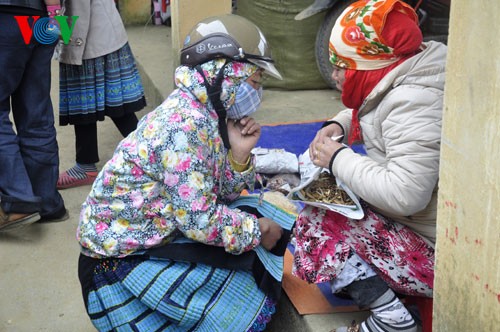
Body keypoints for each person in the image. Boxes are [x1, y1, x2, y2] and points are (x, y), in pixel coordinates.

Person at [76, 14, 287, 331]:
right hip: (115, 265)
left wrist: (240, 155)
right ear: (223, 73)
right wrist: (258, 230)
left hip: (150, 235)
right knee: (248, 266)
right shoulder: (182, 126)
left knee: (256, 215)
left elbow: (215, 191)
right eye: (254, 81)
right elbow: (199, 220)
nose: (257, 92)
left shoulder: (201, 112)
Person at [291, 0, 446, 331]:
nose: (334, 75)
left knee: (319, 220)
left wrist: (338, 158)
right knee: (333, 197)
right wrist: (340, 125)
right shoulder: (412, 72)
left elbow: (406, 195)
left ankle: (392, 321)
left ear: (371, 66)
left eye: (342, 67)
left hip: (441, 256)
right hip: (430, 230)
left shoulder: (414, 103)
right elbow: (376, 105)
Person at [55, 0, 146, 189]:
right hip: (100, 34)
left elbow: (78, 10)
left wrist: (70, 45)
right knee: (113, 105)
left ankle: (149, 154)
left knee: (104, 105)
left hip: (88, 37)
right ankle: (149, 152)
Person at [0, 0, 68, 231]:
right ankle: (47, 202)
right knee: (36, 111)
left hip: (6, 15)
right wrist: (59, 19)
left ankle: (19, 201)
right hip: (44, 16)